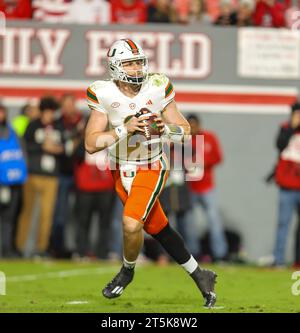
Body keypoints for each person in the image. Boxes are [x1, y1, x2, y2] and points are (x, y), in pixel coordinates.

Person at [85, 38, 217, 308]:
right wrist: (125, 128)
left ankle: (127, 270)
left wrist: (165, 129)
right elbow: (91, 143)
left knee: (131, 224)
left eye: (138, 62)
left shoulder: (157, 86)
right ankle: (201, 275)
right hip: (119, 168)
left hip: (152, 165)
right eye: (129, 63)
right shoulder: (103, 93)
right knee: (158, 227)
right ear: (115, 67)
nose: (136, 68)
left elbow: (185, 131)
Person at [187, 114, 228, 262]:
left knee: (214, 221)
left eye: (194, 125)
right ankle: (193, 255)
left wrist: (202, 161)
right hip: (189, 187)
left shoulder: (209, 137)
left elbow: (218, 157)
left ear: (199, 124)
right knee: (189, 223)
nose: (192, 128)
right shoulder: (183, 140)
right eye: (189, 125)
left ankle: (220, 254)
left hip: (207, 187)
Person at [273, 102, 300, 266]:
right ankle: (278, 260)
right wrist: (292, 127)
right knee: (283, 224)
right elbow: (279, 145)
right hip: (287, 187)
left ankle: (298, 260)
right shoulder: (285, 128)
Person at [0, 103, 27, 257]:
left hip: (13, 180)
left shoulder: (12, 133)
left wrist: (24, 173)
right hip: (2, 181)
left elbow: (22, 154)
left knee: (10, 217)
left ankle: (8, 248)